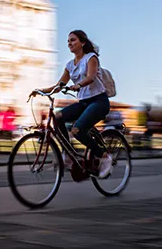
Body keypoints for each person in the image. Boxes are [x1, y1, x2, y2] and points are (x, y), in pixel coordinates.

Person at [32, 30, 113, 179]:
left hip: (98, 101)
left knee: (78, 130)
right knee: (57, 117)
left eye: (73, 40)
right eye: (68, 41)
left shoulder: (91, 58)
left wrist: (78, 85)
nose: (69, 43)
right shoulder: (70, 65)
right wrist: (40, 91)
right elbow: (59, 85)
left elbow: (91, 77)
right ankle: (67, 154)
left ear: (82, 43)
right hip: (83, 103)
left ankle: (104, 156)